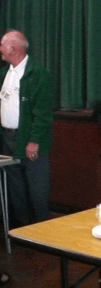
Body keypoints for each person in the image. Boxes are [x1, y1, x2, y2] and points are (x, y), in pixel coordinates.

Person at [0, 30, 53, 228]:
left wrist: (34, 141)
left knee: (37, 185)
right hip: (7, 138)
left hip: (28, 139)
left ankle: (42, 229)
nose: (0, 50)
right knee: (14, 185)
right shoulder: (5, 73)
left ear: (13, 48)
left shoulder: (37, 73)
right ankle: (21, 227)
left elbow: (42, 112)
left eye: (2, 45)